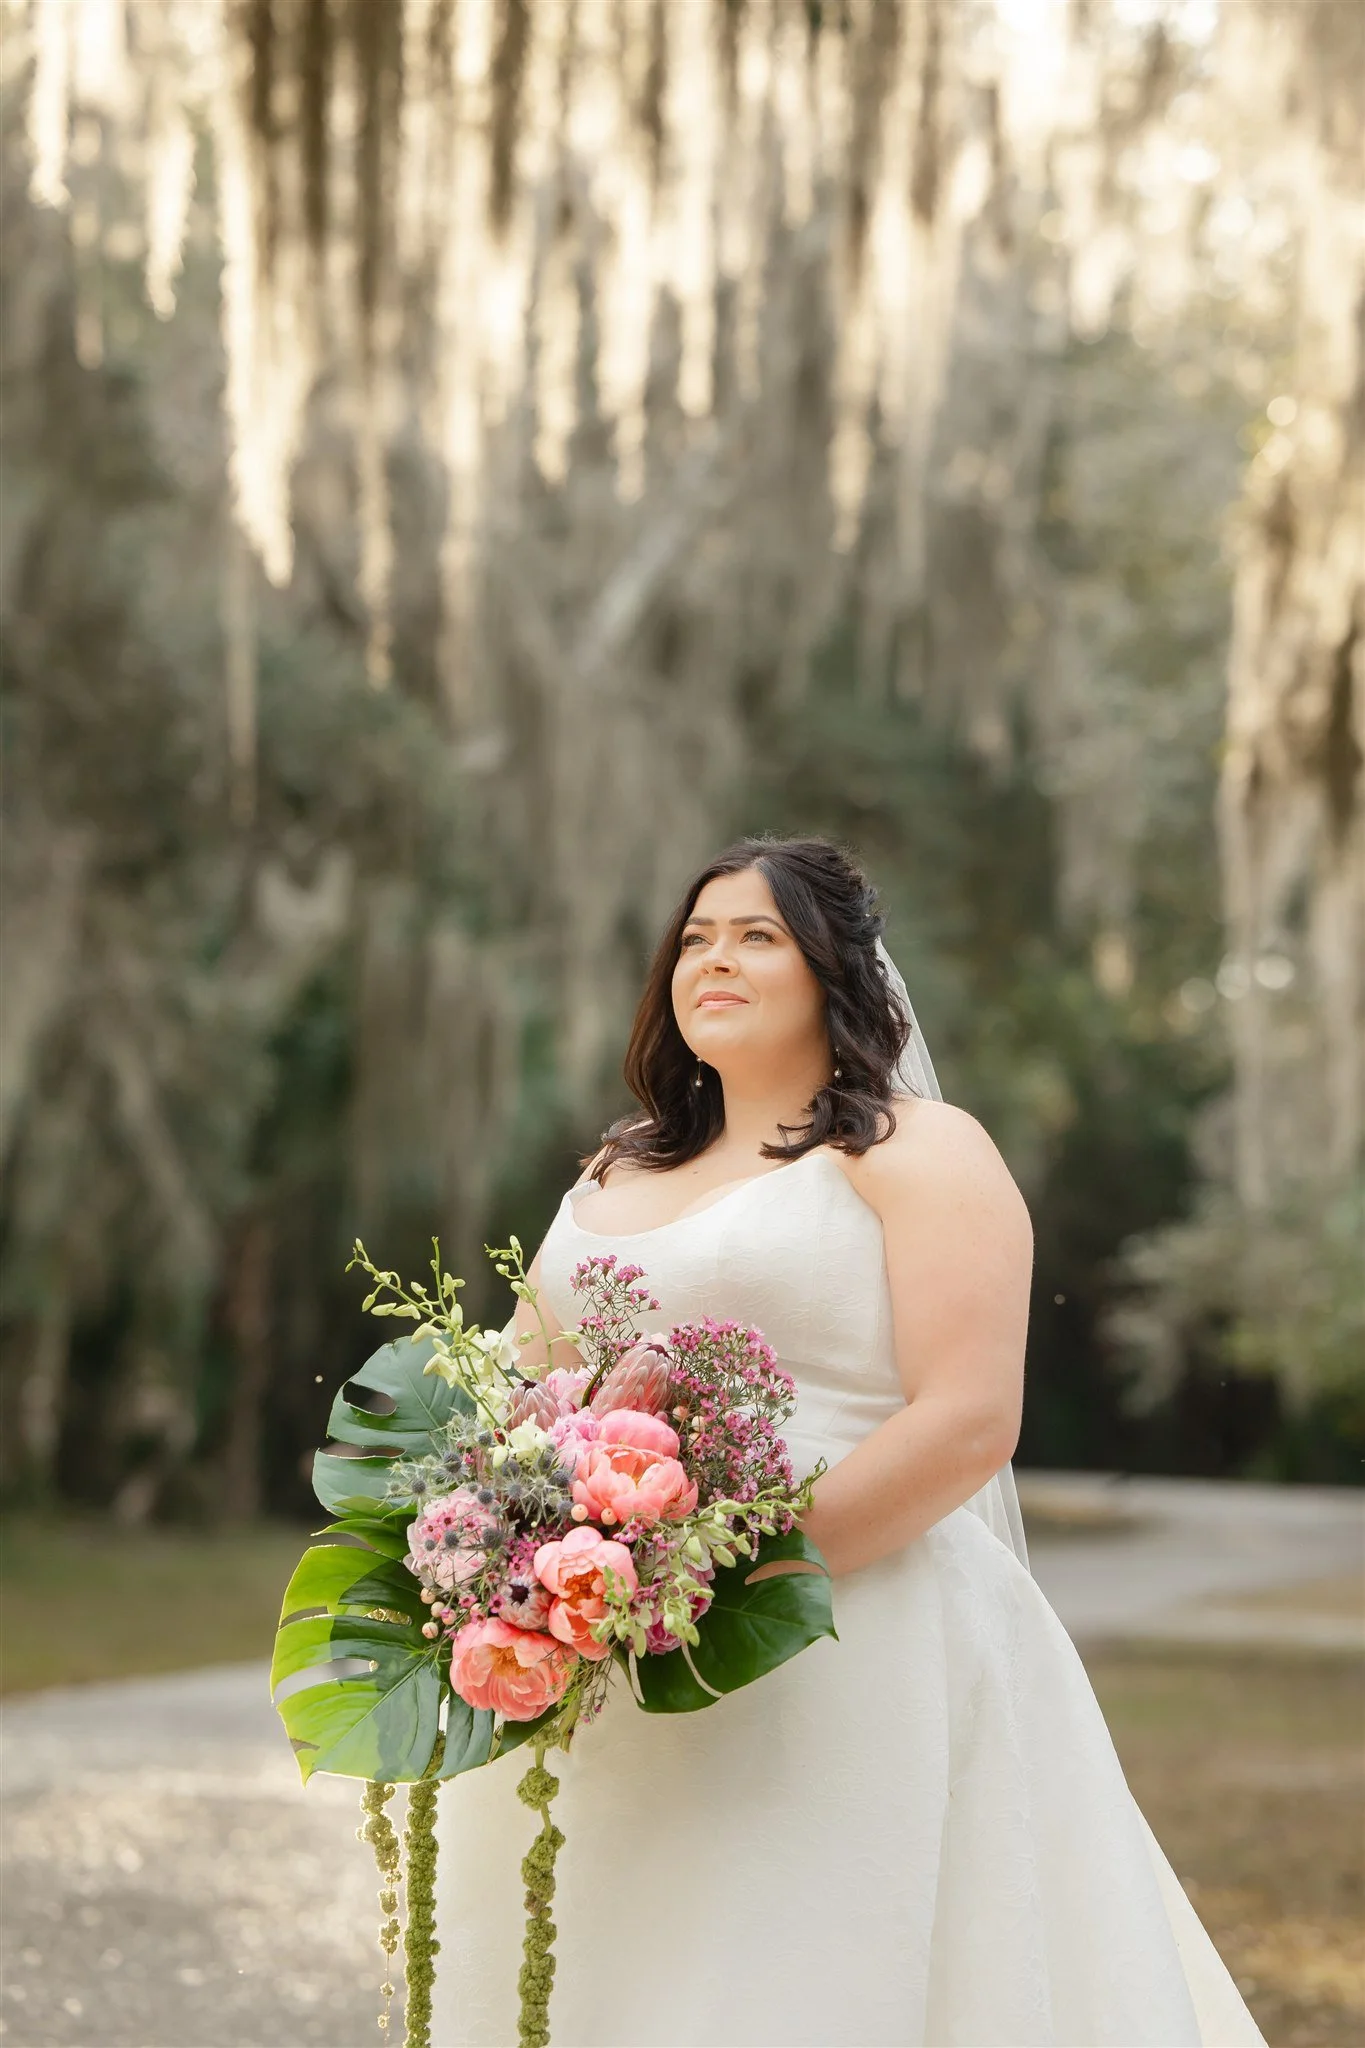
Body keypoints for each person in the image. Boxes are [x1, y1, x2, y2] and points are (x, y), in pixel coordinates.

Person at [432, 834, 1265, 2047]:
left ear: (834, 971)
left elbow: (969, 1413)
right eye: (696, 938)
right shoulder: (618, 1166)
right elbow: (532, 1376)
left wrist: (738, 1567)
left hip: (850, 1633)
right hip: (606, 1643)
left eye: (756, 935)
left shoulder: (916, 1152)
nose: (712, 958)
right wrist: (492, 1530)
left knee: (807, 1976)